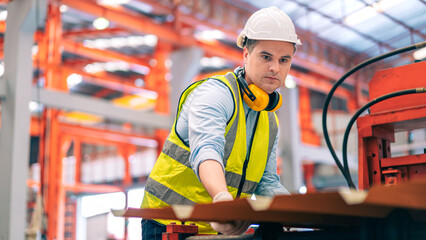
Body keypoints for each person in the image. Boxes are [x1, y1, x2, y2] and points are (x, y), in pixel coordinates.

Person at [141, 6, 301, 239]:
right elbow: (206, 150)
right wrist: (222, 199)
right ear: (246, 55)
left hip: (220, 228)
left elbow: (266, 182)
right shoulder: (216, 94)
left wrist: (296, 213)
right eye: (266, 57)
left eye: (283, 60)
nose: (275, 68)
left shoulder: (269, 119)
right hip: (168, 222)